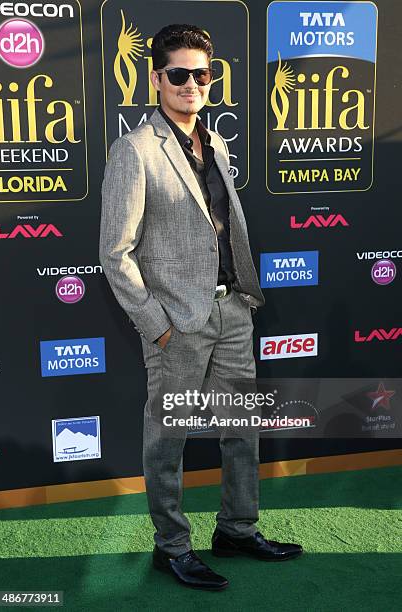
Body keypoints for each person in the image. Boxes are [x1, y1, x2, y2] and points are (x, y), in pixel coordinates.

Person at [100, 23, 303, 591]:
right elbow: (115, 255)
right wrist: (157, 326)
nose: (192, 84)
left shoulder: (213, 143)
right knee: (168, 438)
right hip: (176, 322)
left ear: (212, 79)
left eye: (202, 74)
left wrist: (243, 296)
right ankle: (172, 547)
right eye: (179, 74)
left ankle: (237, 528)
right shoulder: (135, 150)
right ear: (156, 78)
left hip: (232, 310)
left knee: (242, 429)